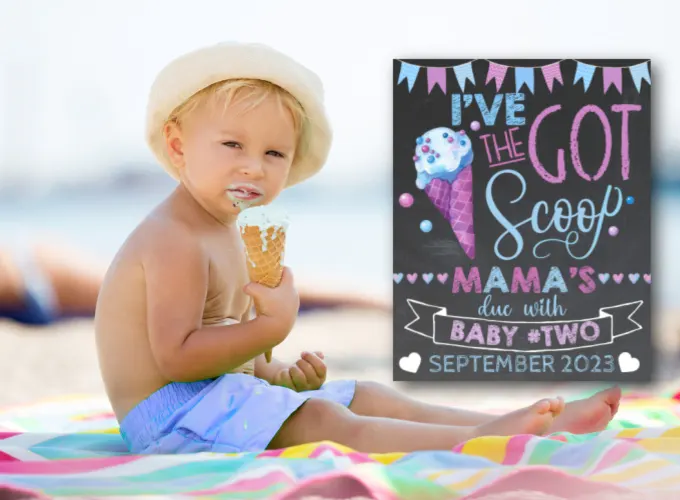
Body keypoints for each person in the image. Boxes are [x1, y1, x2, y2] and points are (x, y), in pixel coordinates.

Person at [95, 42, 621, 456]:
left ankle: (514, 424)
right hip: (166, 417)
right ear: (179, 145)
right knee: (324, 422)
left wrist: (276, 372)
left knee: (366, 396)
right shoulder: (174, 239)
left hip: (209, 397)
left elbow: (232, 355)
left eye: (274, 152)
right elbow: (177, 357)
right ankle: (489, 442)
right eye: (233, 144)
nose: (254, 166)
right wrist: (270, 329)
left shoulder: (225, 228)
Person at [0, 240, 388, 327]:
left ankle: (373, 299)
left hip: (36, 276)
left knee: (227, 287)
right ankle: (373, 298)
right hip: (34, 279)